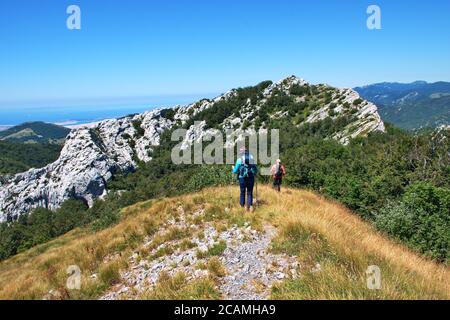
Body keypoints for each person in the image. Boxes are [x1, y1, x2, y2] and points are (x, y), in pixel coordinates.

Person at [232, 147, 258, 211]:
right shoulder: (251, 158)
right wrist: (254, 173)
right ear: (247, 152)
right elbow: (255, 170)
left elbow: (235, 171)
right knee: (249, 192)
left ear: (241, 152)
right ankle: (249, 206)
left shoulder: (239, 160)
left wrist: (233, 168)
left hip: (242, 178)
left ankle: (242, 206)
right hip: (250, 178)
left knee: (242, 192)